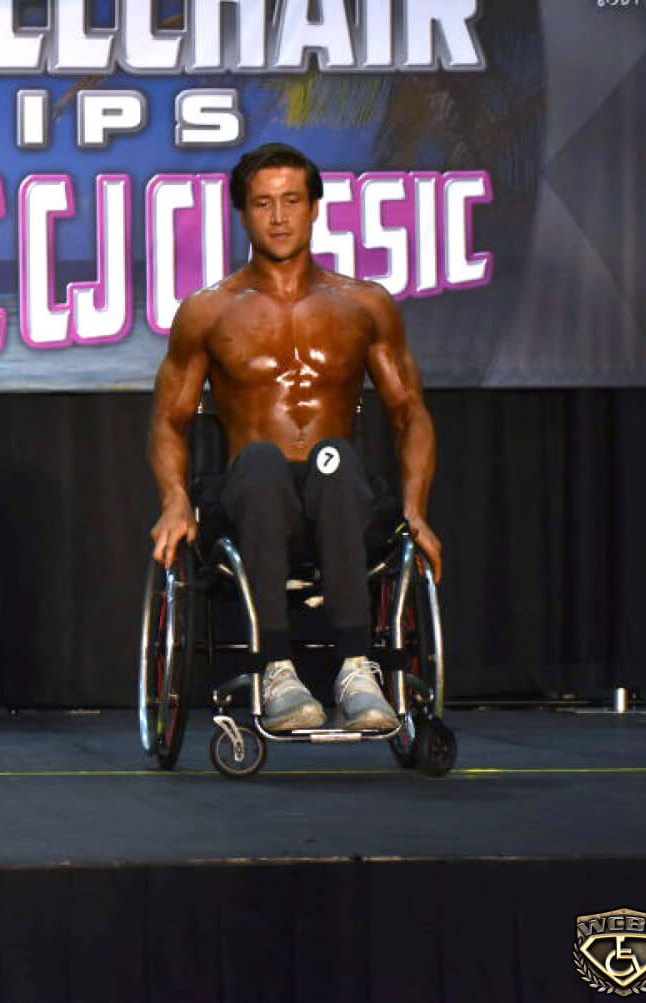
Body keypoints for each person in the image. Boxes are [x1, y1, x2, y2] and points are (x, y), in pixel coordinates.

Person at [148, 142, 442, 732]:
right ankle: (277, 671)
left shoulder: (364, 305)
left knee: (335, 458)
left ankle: (356, 670)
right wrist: (175, 501)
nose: (279, 217)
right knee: (261, 462)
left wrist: (416, 510)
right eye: (263, 204)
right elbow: (168, 421)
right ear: (242, 213)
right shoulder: (208, 311)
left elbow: (410, 413)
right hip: (251, 504)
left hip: (341, 501)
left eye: (291, 201)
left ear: (314, 208)